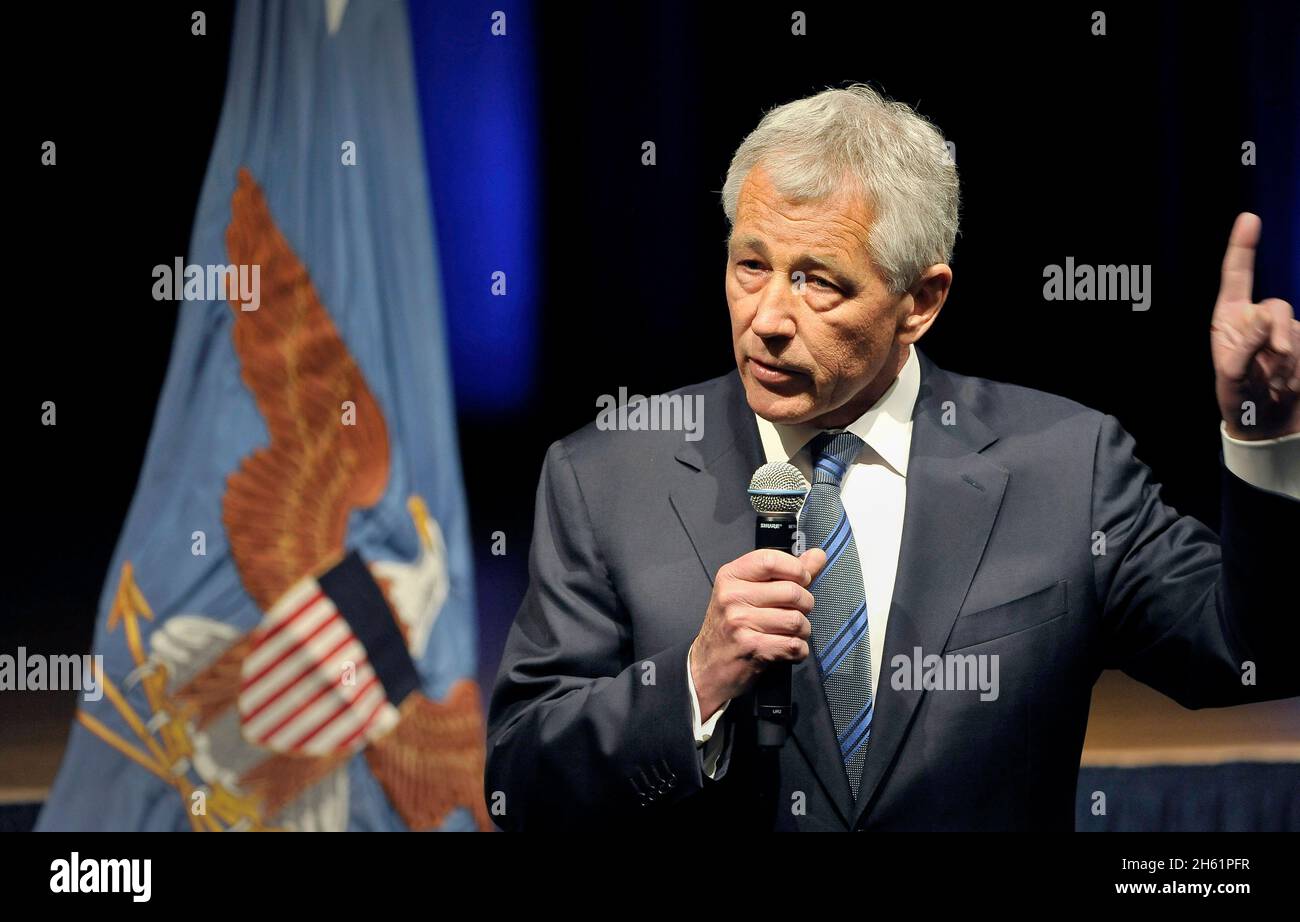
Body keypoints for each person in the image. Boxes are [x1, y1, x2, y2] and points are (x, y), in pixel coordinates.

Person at [485, 84, 1300, 831]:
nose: (767, 317)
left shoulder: (1067, 467)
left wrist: (1263, 438)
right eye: (750, 266)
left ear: (921, 301)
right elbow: (519, 785)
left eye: (818, 282)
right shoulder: (605, 477)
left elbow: (1252, 655)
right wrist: (692, 682)